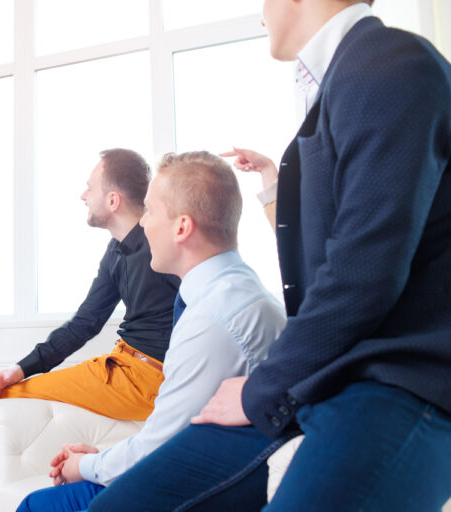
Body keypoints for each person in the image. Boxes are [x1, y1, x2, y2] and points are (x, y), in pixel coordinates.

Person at [85, 1, 451, 510]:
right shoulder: (341, 84)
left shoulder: (391, 65)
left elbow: (362, 273)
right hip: (328, 378)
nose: (261, 14)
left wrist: (262, 388)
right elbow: (329, 258)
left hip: (396, 383)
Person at [16, 151, 287, 512]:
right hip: (200, 463)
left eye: (150, 211)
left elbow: (159, 448)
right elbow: (170, 430)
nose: (143, 224)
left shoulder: (209, 321)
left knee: (37, 506)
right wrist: (103, 458)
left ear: (181, 228)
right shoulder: (235, 290)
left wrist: (85, 465)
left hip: (194, 487)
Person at [0, 149, 180, 511]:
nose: (83, 195)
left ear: (113, 200)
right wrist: (21, 368)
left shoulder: (160, 246)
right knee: (12, 389)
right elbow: (84, 324)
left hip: (146, 376)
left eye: (90, 188)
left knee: (9, 396)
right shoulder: (116, 251)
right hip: (121, 364)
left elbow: (195, 308)